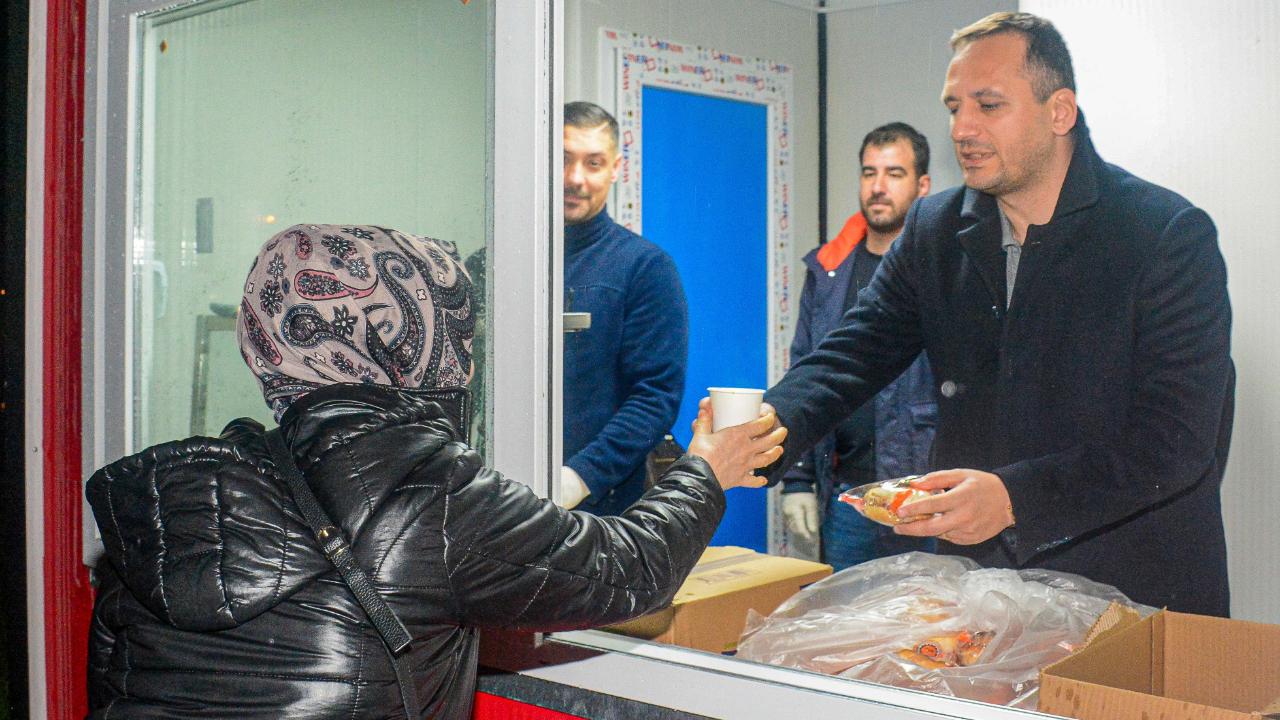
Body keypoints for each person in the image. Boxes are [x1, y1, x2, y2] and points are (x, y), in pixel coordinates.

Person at [86, 224, 786, 719]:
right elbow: (627, 569)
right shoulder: (420, 483)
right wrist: (706, 469)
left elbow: (112, 671)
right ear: (408, 335)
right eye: (457, 327)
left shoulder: (190, 482)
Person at [763, 12, 1234, 615]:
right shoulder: (934, 228)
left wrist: (1015, 497)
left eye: (988, 105)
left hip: (1135, 588)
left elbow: (1174, 440)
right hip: (987, 586)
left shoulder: (1164, 233)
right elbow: (852, 354)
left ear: (1059, 111)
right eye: (954, 106)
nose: (963, 128)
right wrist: (766, 429)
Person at [781, 122, 937, 569]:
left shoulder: (942, 269)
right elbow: (805, 372)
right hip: (847, 501)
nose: (878, 187)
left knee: (926, 631)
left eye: (894, 173)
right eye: (869, 173)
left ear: (923, 185)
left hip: (925, 499)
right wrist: (796, 482)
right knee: (849, 630)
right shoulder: (828, 271)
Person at [561, 101, 690, 515]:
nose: (575, 178)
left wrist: (578, 478)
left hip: (602, 511)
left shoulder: (644, 268)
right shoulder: (492, 263)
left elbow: (655, 398)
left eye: (593, 163)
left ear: (615, 169)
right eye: (562, 160)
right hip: (496, 502)